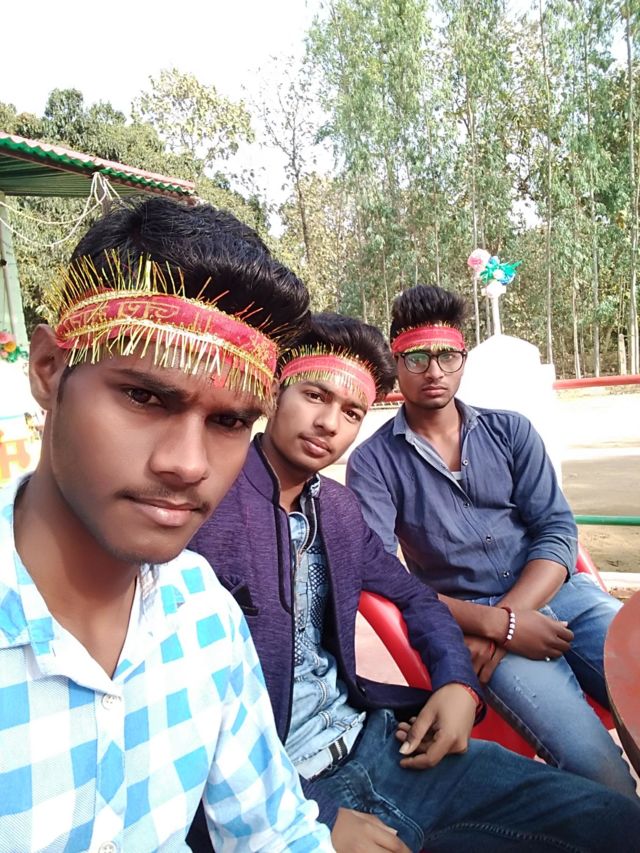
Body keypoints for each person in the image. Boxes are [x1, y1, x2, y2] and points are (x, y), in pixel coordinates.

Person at [189, 311, 640, 853]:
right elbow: (176, 709)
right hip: (283, 792)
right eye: (314, 396)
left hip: (382, 744)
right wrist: (309, 813)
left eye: (351, 411)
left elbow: (414, 596)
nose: (329, 424)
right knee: (597, 779)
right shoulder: (200, 511)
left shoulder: (335, 510)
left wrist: (457, 684)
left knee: (617, 823)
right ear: (274, 393)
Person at [0, 198, 333, 852]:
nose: (187, 464)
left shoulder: (204, 613)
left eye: (229, 421)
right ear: (48, 371)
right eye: (144, 396)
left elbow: (275, 833)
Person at [346, 283, 636, 798]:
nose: (434, 371)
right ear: (396, 361)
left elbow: (556, 529)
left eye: (447, 356)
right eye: (417, 357)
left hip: (561, 595)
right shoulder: (374, 462)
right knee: (600, 773)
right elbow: (381, 572)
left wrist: (508, 620)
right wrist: (491, 624)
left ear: (463, 359)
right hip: (469, 615)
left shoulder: (511, 432)